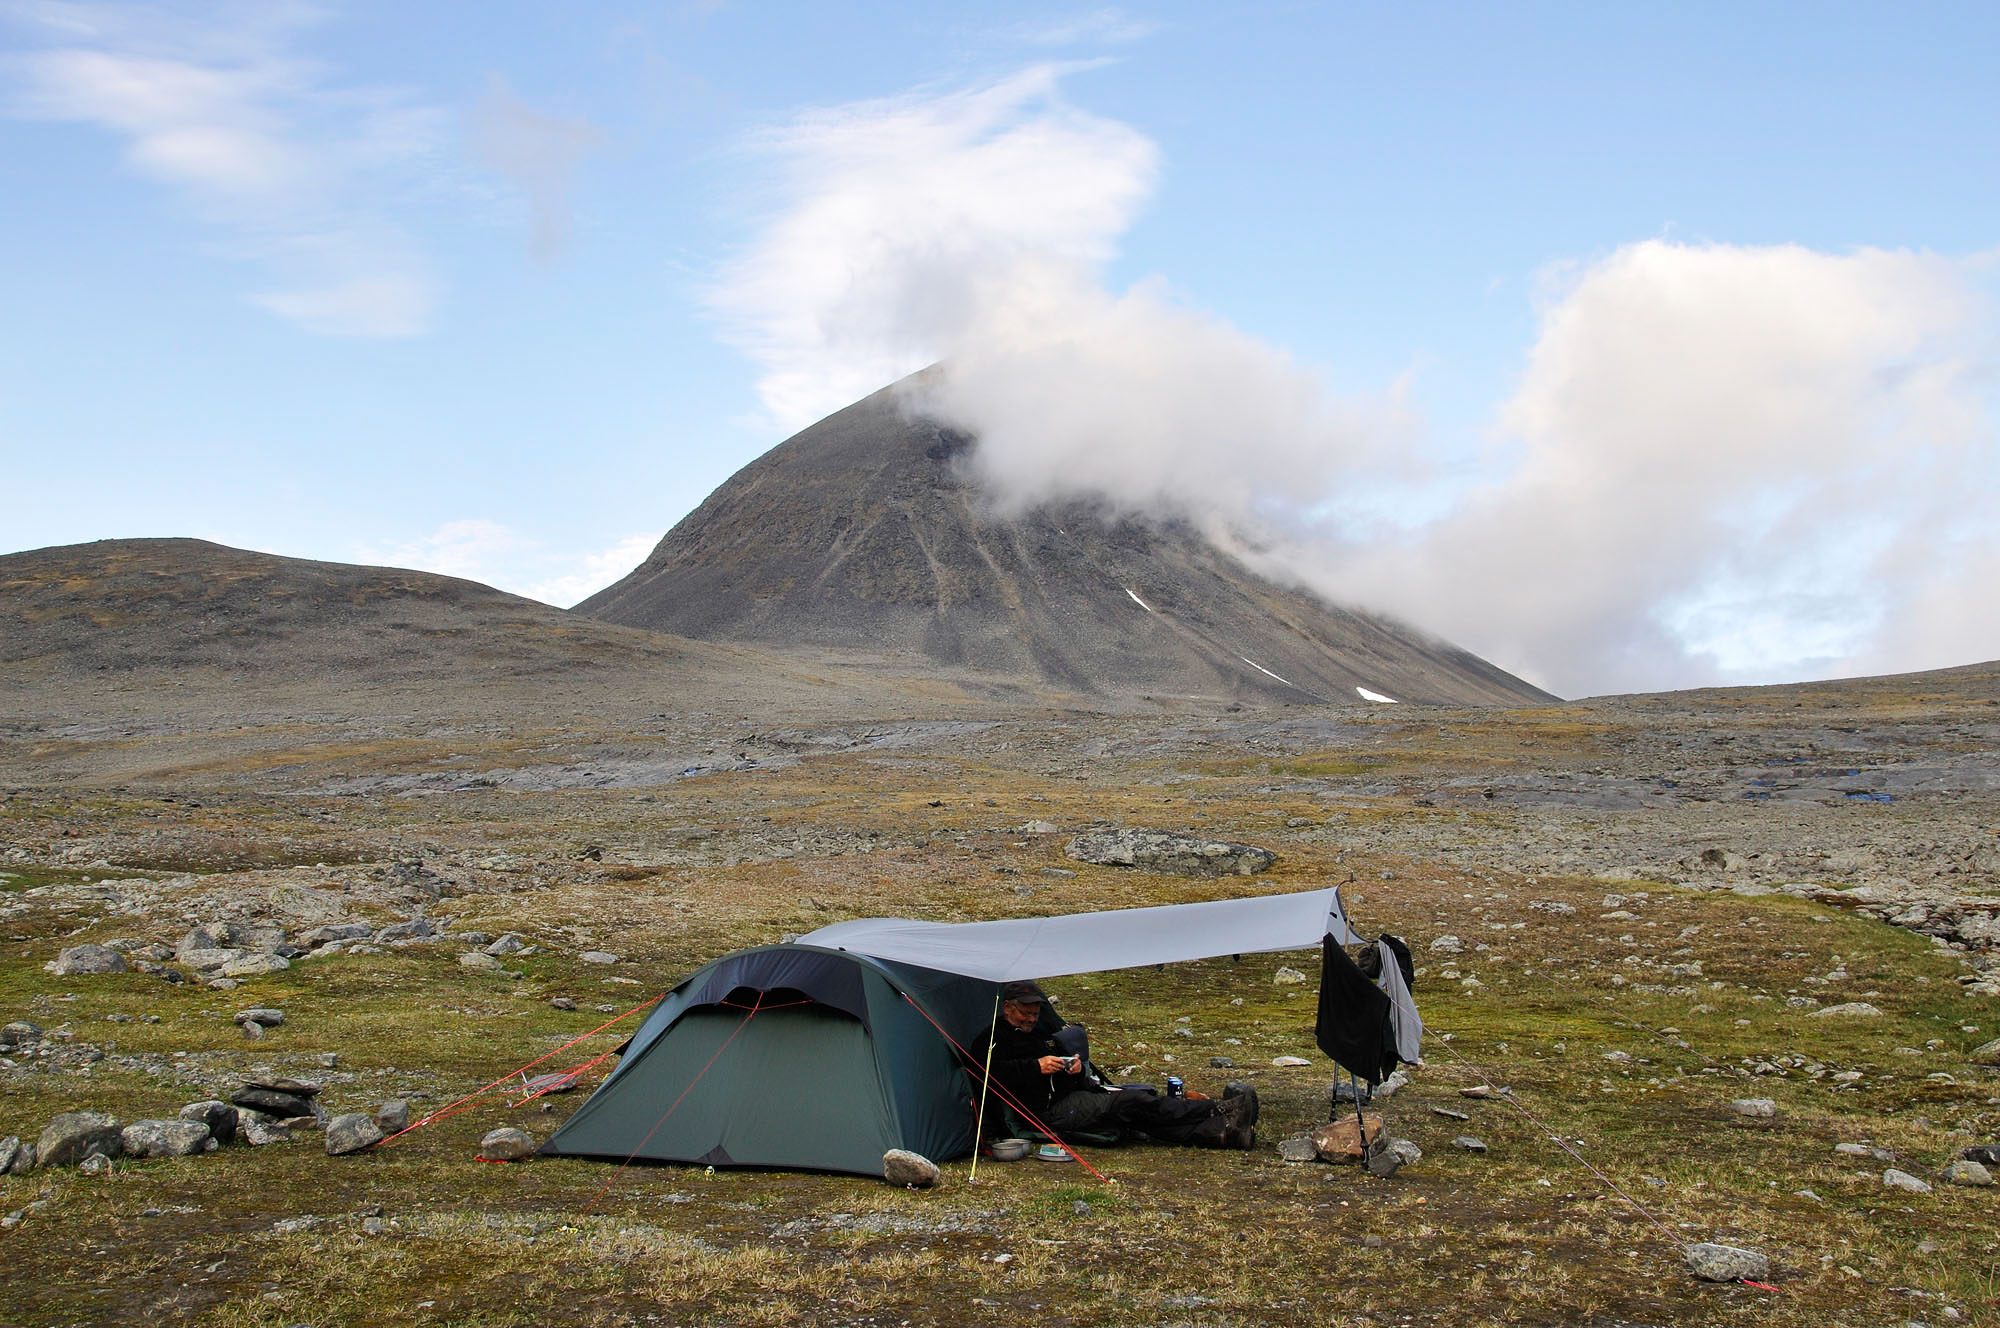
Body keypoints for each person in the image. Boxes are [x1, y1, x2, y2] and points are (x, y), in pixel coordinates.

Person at [967, 980, 1258, 1150]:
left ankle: (1223, 1135)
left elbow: (1054, 1072)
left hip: (1070, 1098)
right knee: (1132, 1102)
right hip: (1049, 1113)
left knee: (1137, 1115)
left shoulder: (1036, 1035)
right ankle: (1218, 1109)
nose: (1031, 1020)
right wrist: (1035, 1067)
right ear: (1007, 1008)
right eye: (1025, 1014)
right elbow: (988, 1077)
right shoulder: (992, 1039)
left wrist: (1074, 1071)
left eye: (1035, 1014)